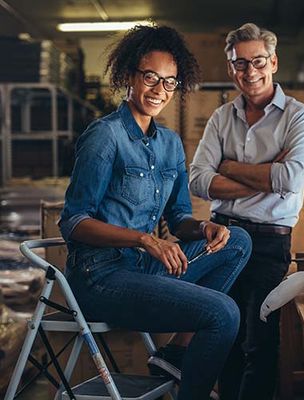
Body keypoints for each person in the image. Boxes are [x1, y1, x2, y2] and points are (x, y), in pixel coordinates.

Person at [59, 25, 252, 400]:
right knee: (223, 314)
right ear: (130, 75)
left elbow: (179, 219)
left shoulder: (169, 144)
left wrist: (205, 227)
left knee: (238, 240)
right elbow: (74, 222)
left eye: (170, 82)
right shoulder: (106, 136)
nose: (159, 90)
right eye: (151, 77)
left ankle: (177, 352)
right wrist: (144, 240)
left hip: (143, 270)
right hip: (100, 277)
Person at [189, 23, 304, 400]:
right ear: (231, 69)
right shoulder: (220, 118)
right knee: (222, 339)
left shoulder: (300, 117)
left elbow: (291, 178)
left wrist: (227, 168)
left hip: (268, 243)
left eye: (258, 61)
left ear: (273, 61)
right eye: (239, 64)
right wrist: (265, 176)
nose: (250, 72)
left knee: (259, 343)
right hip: (222, 237)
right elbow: (198, 180)